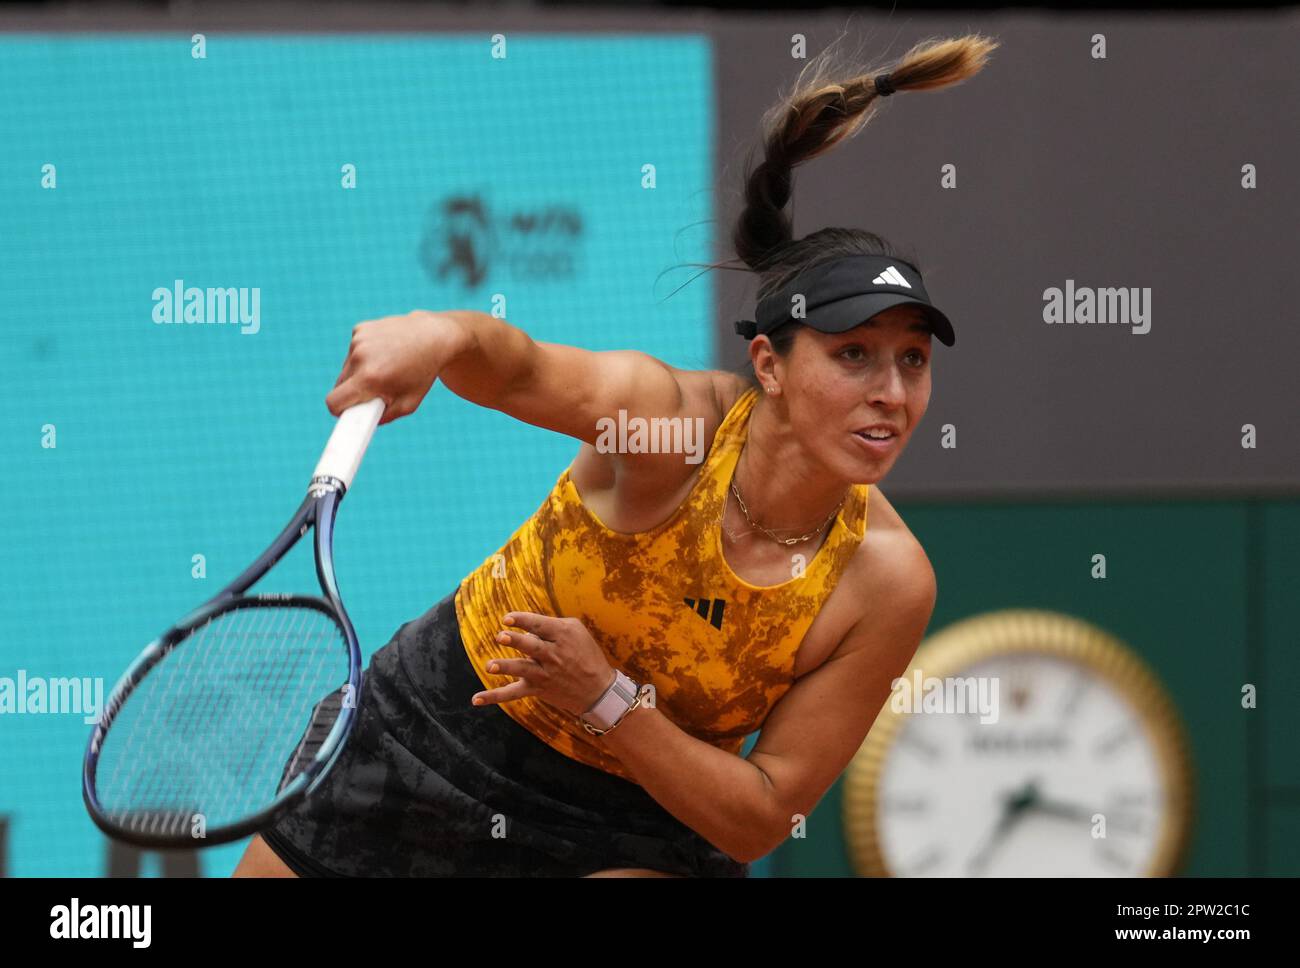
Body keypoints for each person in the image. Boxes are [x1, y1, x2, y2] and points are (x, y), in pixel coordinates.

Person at [233, 31, 998, 878]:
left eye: (913, 360)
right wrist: (439, 332)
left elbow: (759, 817)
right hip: (440, 725)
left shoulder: (884, 581)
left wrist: (605, 698)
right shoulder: (666, 429)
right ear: (770, 365)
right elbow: (517, 367)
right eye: (854, 354)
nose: (891, 391)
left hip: (642, 812)